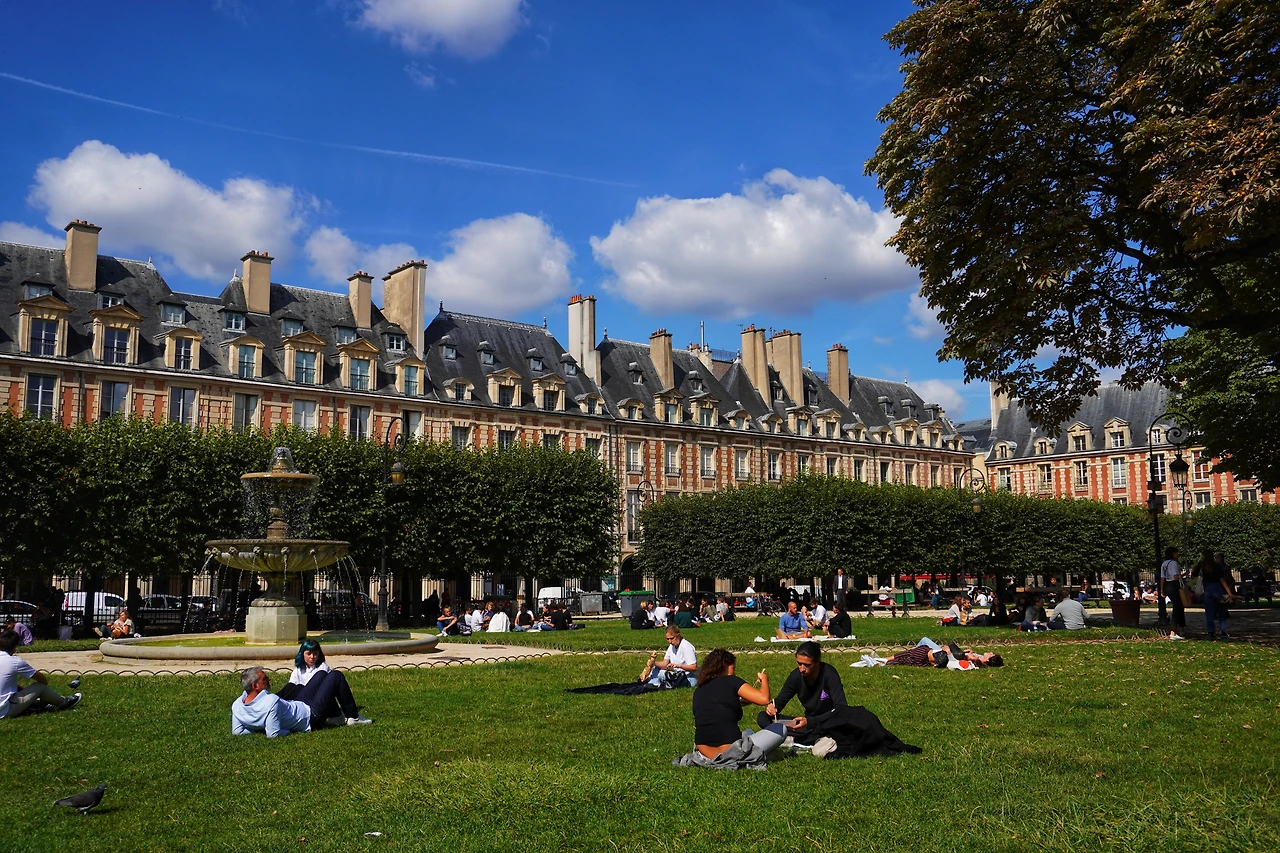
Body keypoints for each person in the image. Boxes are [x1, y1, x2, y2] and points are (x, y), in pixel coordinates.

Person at [685, 648, 789, 762]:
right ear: (725, 666)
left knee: (748, 732)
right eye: (733, 669)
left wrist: (749, 699)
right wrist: (764, 679)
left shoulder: (699, 690)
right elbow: (764, 699)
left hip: (705, 753)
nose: (734, 673)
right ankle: (761, 756)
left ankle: (764, 755)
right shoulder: (731, 681)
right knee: (780, 728)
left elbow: (725, 706)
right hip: (732, 751)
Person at [231, 664, 370, 736]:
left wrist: (258, 728)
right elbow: (274, 734)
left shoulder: (237, 705)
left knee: (321, 674)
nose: (269, 679)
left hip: (299, 704)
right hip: (311, 716)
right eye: (265, 679)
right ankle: (354, 717)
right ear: (255, 686)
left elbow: (237, 731)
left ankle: (336, 716)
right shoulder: (271, 702)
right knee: (336, 676)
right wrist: (284, 729)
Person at [759, 642, 844, 750]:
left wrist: (811, 722)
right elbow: (780, 701)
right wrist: (772, 707)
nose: (802, 669)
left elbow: (841, 709)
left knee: (835, 727)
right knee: (762, 717)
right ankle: (799, 738)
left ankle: (788, 738)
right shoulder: (796, 676)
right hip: (806, 724)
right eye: (799, 664)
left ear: (817, 662)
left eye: (807, 665)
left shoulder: (829, 674)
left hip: (826, 722)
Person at [1, 629, 81, 718]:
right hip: (5, 710)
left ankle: (34, 704)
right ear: (15, 647)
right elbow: (42, 680)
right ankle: (64, 702)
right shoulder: (15, 661)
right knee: (40, 687)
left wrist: (22, 690)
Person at [1194, 549, 1235, 639]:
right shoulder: (1217, 566)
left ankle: (1211, 631)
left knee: (1209, 612)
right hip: (1217, 588)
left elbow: (1193, 575)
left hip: (1207, 589)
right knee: (1221, 611)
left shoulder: (1202, 566)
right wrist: (1229, 593)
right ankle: (1223, 630)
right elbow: (1222, 580)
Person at [1160, 546, 1186, 632]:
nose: (1177, 555)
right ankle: (1175, 629)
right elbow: (1176, 577)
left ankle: (1180, 628)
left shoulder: (1164, 564)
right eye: (1176, 553)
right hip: (1174, 585)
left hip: (1167, 585)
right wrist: (1183, 576)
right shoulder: (1174, 563)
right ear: (1173, 553)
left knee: (1178, 606)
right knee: (1178, 607)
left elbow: (1162, 577)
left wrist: (1162, 590)